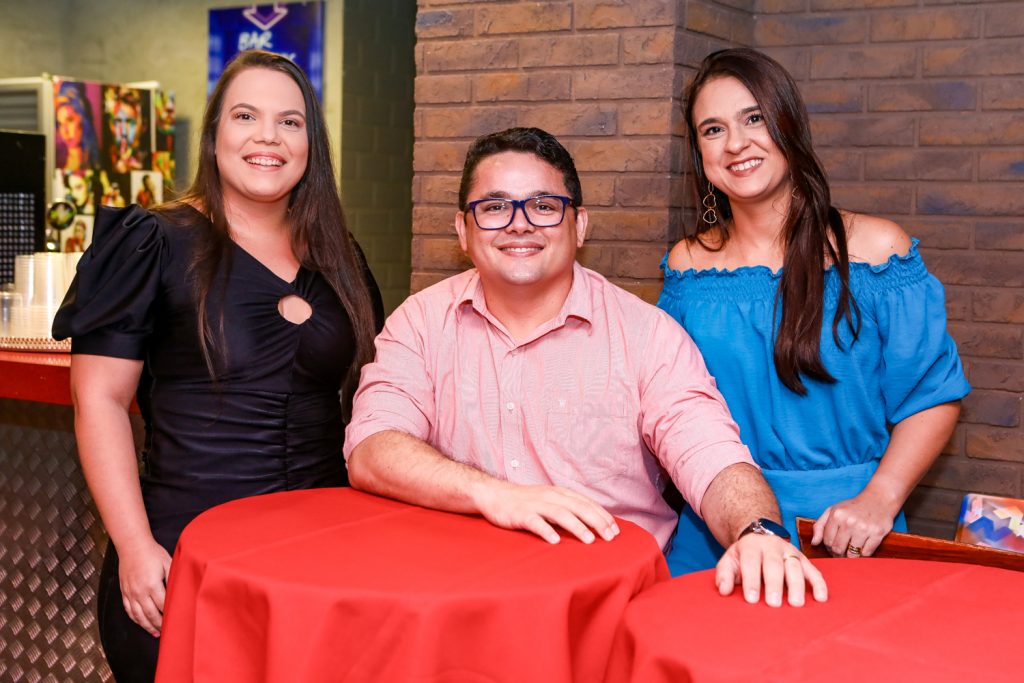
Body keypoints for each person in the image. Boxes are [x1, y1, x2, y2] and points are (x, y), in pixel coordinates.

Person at [344, 126, 828, 609]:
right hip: (455, 597)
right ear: (462, 231)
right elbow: (371, 446)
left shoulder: (647, 335)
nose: (519, 224)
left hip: (606, 608)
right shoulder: (421, 321)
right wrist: (493, 495)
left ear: (578, 226)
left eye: (544, 205)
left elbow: (711, 455)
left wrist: (758, 530)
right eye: (494, 208)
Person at [53, 50, 383, 682]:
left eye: (290, 121)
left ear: (311, 141)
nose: (268, 136)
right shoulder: (152, 241)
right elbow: (97, 401)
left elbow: (374, 390)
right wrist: (133, 546)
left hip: (321, 555)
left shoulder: (340, 255)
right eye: (245, 115)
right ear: (213, 136)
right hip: (183, 556)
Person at [658, 48, 970, 576]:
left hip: (844, 529)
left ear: (788, 125)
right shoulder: (688, 266)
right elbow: (666, 403)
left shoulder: (874, 250)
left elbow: (931, 396)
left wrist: (880, 499)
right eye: (712, 130)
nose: (735, 143)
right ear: (700, 155)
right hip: (718, 531)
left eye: (753, 118)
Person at [54, 81, 101, 172]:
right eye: (60, 124)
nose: (65, 131)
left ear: (82, 119)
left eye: (70, 120)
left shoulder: (94, 159)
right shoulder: (58, 162)